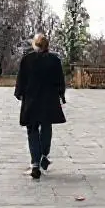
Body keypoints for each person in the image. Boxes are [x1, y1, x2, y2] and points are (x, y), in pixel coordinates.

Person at [13, 33, 66, 180]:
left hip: (31, 100)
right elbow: (60, 80)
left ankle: (35, 163)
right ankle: (43, 155)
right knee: (47, 127)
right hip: (49, 100)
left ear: (35, 45)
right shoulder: (54, 60)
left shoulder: (27, 60)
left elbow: (21, 80)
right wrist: (61, 94)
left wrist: (19, 94)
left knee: (32, 130)